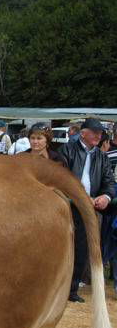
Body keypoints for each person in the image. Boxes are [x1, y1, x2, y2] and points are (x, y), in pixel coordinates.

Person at [59, 118, 115, 303]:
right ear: (83, 133)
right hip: (67, 204)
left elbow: (109, 182)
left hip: (89, 208)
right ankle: (57, 286)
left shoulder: (102, 157)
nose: (99, 136)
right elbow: (62, 178)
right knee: (62, 245)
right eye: (95, 132)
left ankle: (72, 289)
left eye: (100, 133)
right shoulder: (67, 150)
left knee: (82, 248)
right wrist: (82, 196)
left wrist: (106, 197)